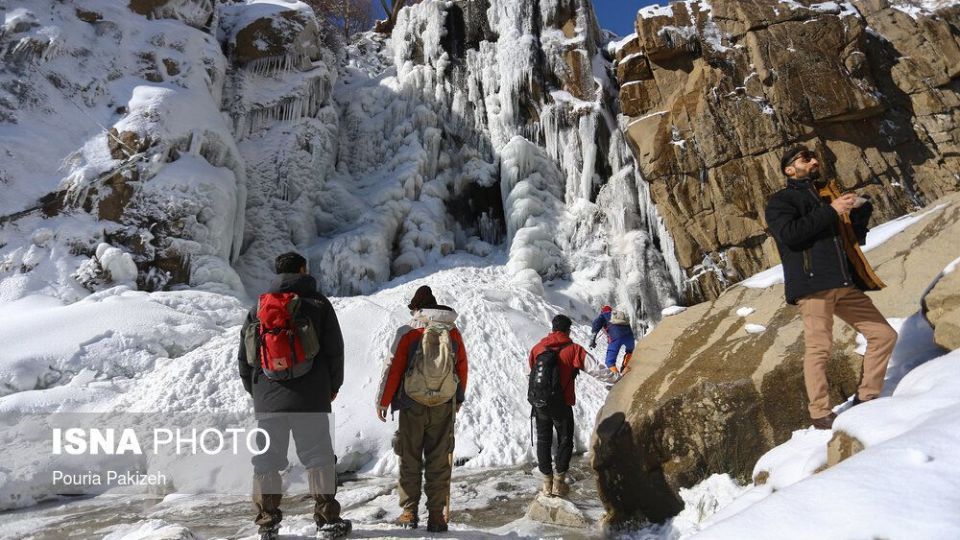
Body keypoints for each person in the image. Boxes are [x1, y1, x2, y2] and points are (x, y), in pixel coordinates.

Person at [765, 145, 898, 430]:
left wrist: (860, 210)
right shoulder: (781, 201)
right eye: (806, 158)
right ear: (790, 169)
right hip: (812, 284)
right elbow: (789, 235)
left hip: (842, 282)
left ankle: (867, 396)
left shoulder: (827, 195)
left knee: (883, 335)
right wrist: (831, 210)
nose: (814, 161)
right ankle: (820, 413)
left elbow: (852, 239)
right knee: (819, 348)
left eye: (814, 157)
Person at [238, 252, 349, 540]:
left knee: (266, 460)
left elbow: (245, 358)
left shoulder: (259, 306)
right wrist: (332, 387)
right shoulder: (318, 304)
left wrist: (258, 393)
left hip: (268, 399)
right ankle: (327, 521)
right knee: (318, 457)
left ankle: (267, 523)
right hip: (310, 397)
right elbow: (335, 350)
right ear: (302, 270)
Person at [375, 285, 469, 532]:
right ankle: (436, 516)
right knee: (439, 459)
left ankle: (409, 512)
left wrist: (383, 400)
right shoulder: (453, 332)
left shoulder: (409, 332)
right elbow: (461, 367)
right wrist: (458, 399)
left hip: (412, 404)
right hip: (443, 405)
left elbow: (393, 367)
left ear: (417, 309)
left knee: (410, 457)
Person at [527, 314, 592, 498]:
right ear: (567, 330)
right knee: (565, 440)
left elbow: (529, 373)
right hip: (561, 404)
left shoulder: (538, 348)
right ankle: (559, 482)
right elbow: (596, 369)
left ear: (553, 328)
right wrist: (616, 379)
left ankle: (546, 483)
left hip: (540, 404)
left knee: (543, 440)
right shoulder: (574, 349)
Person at [590, 305, 636, 374]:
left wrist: (592, 339)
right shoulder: (618, 314)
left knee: (609, 362)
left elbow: (596, 324)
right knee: (629, 351)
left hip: (616, 337)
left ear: (603, 311)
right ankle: (624, 367)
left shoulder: (603, 315)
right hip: (630, 336)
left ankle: (617, 377)